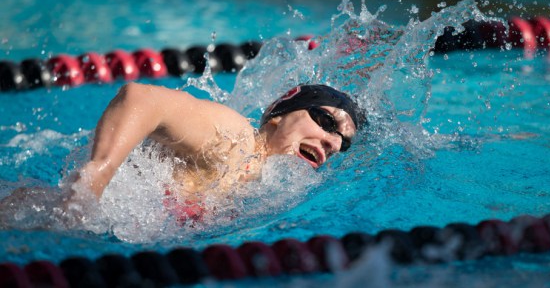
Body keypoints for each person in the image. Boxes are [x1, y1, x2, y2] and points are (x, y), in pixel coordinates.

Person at [73, 82, 366, 210]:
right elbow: (140, 97)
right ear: (277, 118)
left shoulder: (267, 186)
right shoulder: (236, 141)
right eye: (325, 121)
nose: (332, 143)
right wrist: (98, 173)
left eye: (343, 144)